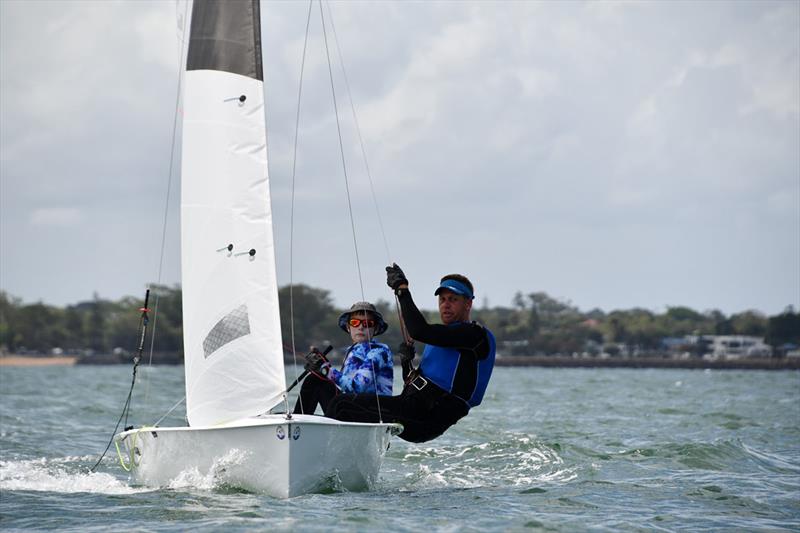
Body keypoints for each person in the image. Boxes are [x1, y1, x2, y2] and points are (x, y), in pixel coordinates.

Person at [327, 264, 496, 443]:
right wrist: (407, 362)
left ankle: (322, 453)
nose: (446, 305)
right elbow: (412, 380)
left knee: (341, 404)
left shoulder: (474, 335)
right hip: (412, 407)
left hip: (428, 417)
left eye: (453, 299)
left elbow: (419, 331)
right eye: (442, 299)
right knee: (329, 393)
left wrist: (402, 290)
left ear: (468, 304)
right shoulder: (444, 338)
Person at [293, 301, 393, 415]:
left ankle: (299, 422)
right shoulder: (352, 350)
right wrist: (324, 366)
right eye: (355, 322)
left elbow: (357, 388)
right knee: (315, 379)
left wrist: (326, 370)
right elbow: (343, 386)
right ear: (348, 327)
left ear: (375, 328)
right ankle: (299, 420)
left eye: (367, 323)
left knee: (317, 380)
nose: (360, 327)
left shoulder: (379, 351)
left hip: (370, 413)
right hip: (352, 407)